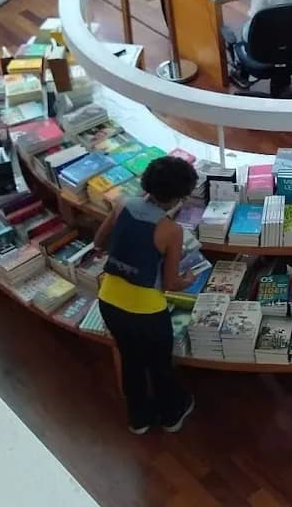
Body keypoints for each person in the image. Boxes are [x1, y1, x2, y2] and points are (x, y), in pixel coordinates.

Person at [94, 156, 198, 435]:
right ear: (179, 197)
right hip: (147, 311)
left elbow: (98, 243)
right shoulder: (171, 230)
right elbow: (170, 283)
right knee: (160, 365)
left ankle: (138, 419)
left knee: (130, 360)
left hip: (110, 301)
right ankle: (172, 414)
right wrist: (188, 279)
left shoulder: (122, 205)